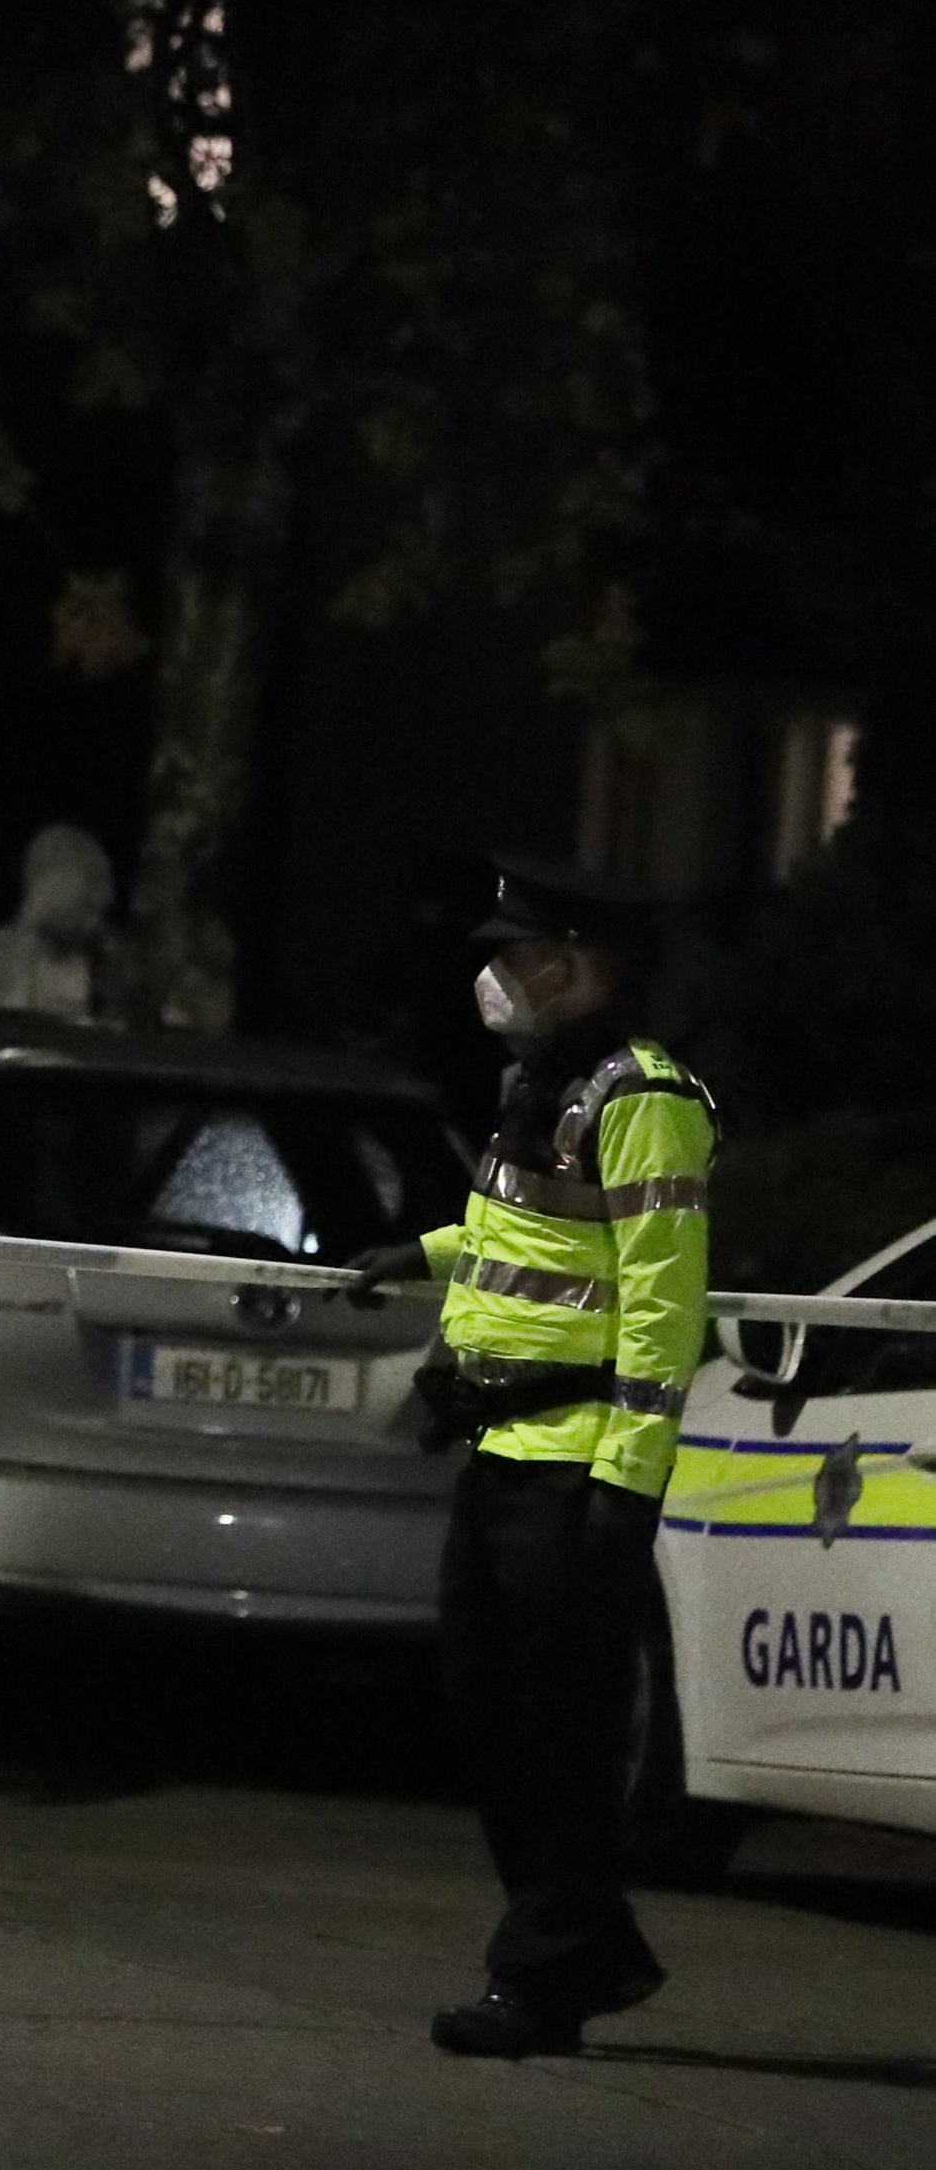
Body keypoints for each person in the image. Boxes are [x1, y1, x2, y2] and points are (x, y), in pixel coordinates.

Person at [346, 855, 716, 2059]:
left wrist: (629, 1481)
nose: (493, 977)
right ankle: (585, 1948)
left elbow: (662, 1304)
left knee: (560, 1736)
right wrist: (434, 1252)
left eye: (512, 955)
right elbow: (528, 1235)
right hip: (501, 1444)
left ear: (571, 962)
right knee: (489, 1716)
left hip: (574, 1461)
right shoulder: (548, 1084)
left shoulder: (642, 1096)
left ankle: (548, 1973)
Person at [0, 822, 120, 1022]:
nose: (96, 925)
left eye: (99, 913)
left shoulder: (82, 965)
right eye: (87, 908)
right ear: (57, 890)